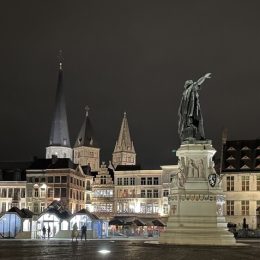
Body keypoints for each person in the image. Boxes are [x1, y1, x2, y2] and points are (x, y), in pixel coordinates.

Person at [178, 73, 211, 141]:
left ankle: (201, 137)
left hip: (192, 111)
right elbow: (198, 82)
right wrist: (204, 77)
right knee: (199, 122)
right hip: (193, 111)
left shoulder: (186, 93)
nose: (197, 87)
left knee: (198, 122)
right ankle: (201, 137)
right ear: (190, 85)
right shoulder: (190, 89)